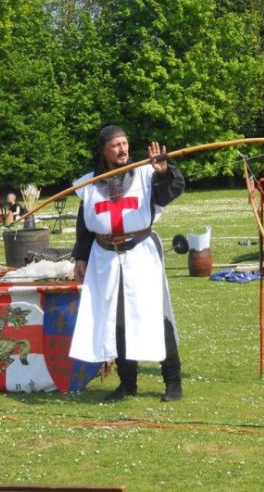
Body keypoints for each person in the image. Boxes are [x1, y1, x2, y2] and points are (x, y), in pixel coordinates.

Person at [70, 125, 186, 402]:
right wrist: (81, 256)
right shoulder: (88, 184)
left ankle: (173, 382)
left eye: (125, 143)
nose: (122, 149)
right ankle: (128, 383)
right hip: (105, 256)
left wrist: (164, 172)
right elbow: (85, 226)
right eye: (115, 145)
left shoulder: (148, 172)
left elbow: (170, 192)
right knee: (116, 319)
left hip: (140, 252)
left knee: (156, 315)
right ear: (104, 150)